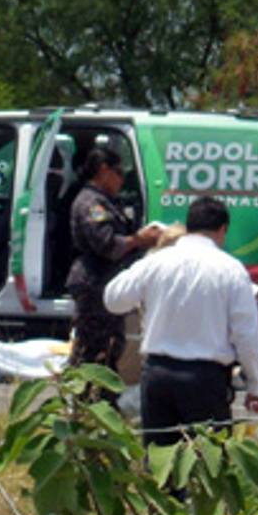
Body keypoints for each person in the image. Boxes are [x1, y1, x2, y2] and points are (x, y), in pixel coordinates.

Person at [104, 197, 258, 446]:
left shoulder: (156, 262)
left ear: (189, 226)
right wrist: (256, 385)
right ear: (223, 230)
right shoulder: (231, 270)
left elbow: (113, 299)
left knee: (160, 466)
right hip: (205, 379)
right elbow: (246, 335)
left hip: (157, 375)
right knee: (209, 467)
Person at [65, 147, 161, 374]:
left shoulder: (107, 201)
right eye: (120, 172)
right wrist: (138, 240)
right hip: (94, 281)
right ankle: (87, 399)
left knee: (110, 345)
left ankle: (100, 398)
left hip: (106, 280)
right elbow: (106, 244)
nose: (122, 179)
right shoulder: (92, 204)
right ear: (104, 170)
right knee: (94, 348)